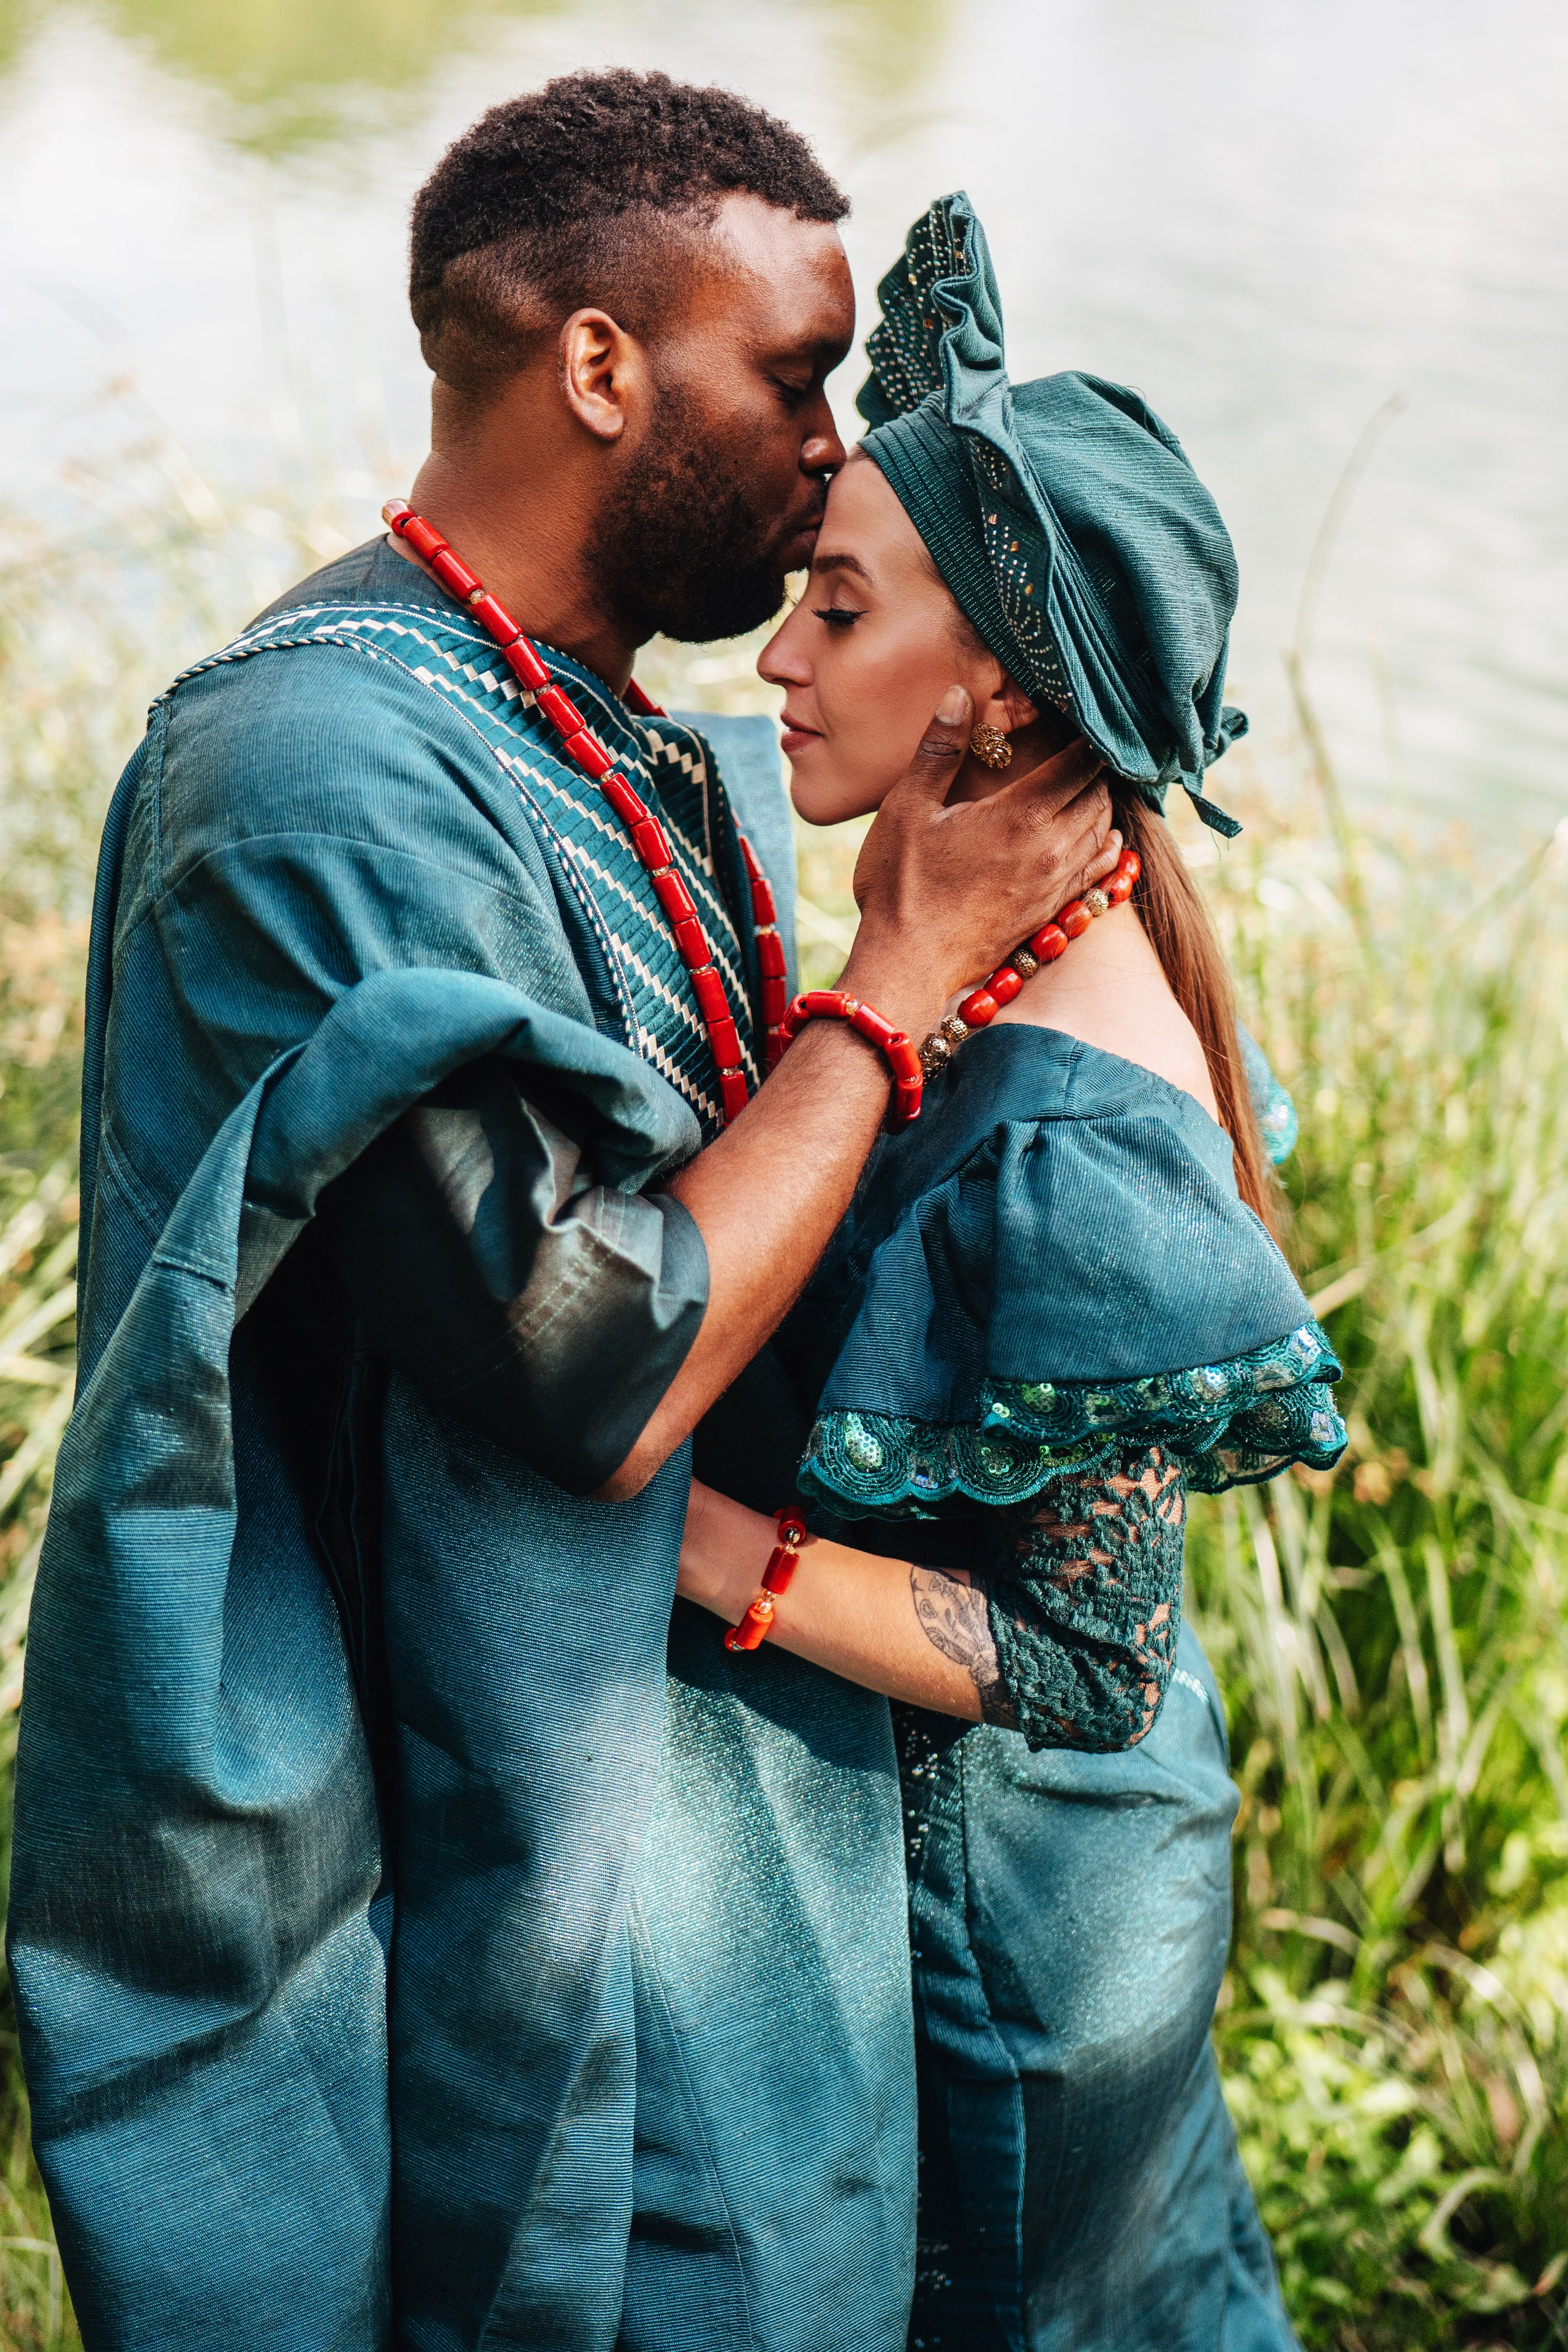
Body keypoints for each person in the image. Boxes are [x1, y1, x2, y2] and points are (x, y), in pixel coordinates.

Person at [7, 97, 1120, 2352]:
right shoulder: (315, 775)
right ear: (603, 370)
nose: (837, 449)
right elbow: (583, 1361)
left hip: (706, 1829)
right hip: (506, 1886)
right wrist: (900, 979)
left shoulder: (594, 728)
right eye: (797, 377)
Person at [674, 193, 1348, 2351]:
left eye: (838, 611)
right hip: (1036, 1858)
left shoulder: (1081, 1128)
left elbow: (1078, 1659)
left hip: (1019, 1907)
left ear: (993, 688)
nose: (777, 657)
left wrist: (693, 1544)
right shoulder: (1014, 916)